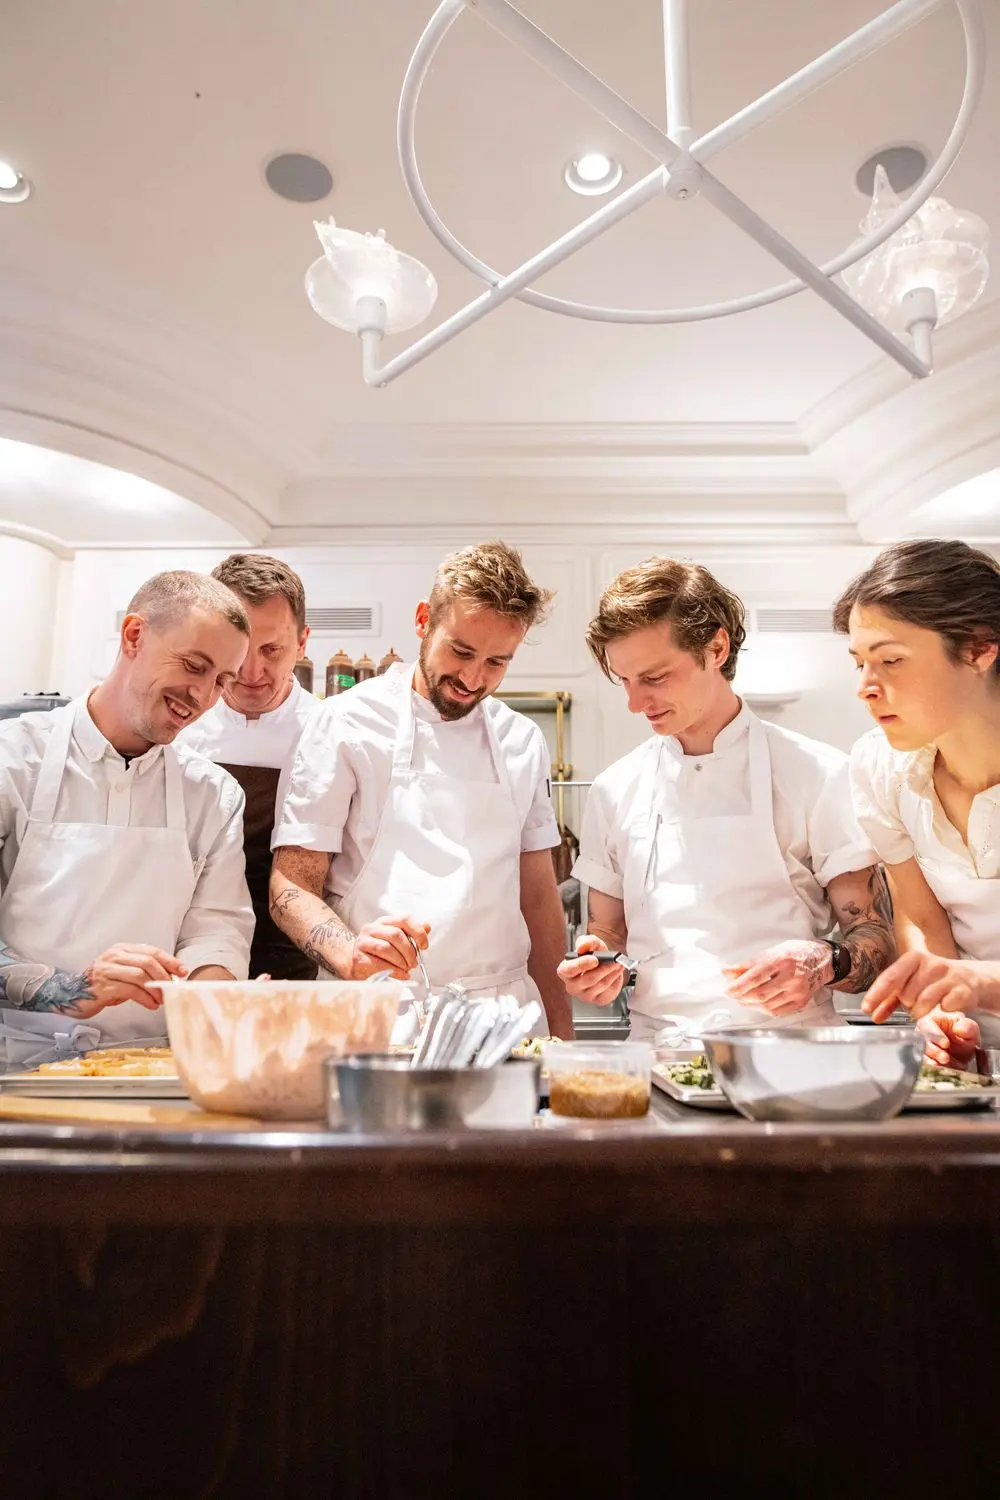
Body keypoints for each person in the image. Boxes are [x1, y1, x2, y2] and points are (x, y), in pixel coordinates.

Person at [556, 557, 894, 1041]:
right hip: (660, 1053)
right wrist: (596, 963)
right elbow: (608, 933)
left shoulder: (818, 773)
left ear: (716, 647)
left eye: (653, 677)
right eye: (624, 680)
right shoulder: (613, 790)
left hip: (791, 1051)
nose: (635, 703)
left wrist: (824, 964)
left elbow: (875, 938)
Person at [269, 541, 574, 1039]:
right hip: (379, 1013)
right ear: (422, 621)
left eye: (498, 662)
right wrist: (348, 953)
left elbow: (538, 898)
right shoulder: (344, 724)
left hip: (507, 1021)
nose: (474, 678)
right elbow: (290, 886)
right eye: (461, 651)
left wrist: (562, 1034)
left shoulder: (522, 740)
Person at [0, 571, 255, 1070]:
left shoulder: (213, 794)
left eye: (221, 682)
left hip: (154, 1066)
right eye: (193, 666)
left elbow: (216, 930)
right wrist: (71, 989)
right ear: (134, 635)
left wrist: (215, 1000)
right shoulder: (12, 763)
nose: (202, 697)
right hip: (14, 1065)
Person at [835, 537, 1000, 1065]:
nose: (866, 686)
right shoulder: (882, 767)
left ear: (978, 648)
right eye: (859, 662)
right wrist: (941, 1015)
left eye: (891, 660)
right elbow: (920, 914)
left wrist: (979, 982)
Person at [179, 553, 318, 979]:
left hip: (295, 967)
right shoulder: (179, 731)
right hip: (187, 961)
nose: (251, 671)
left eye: (272, 649)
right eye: (239, 648)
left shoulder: (330, 734)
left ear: (303, 642)